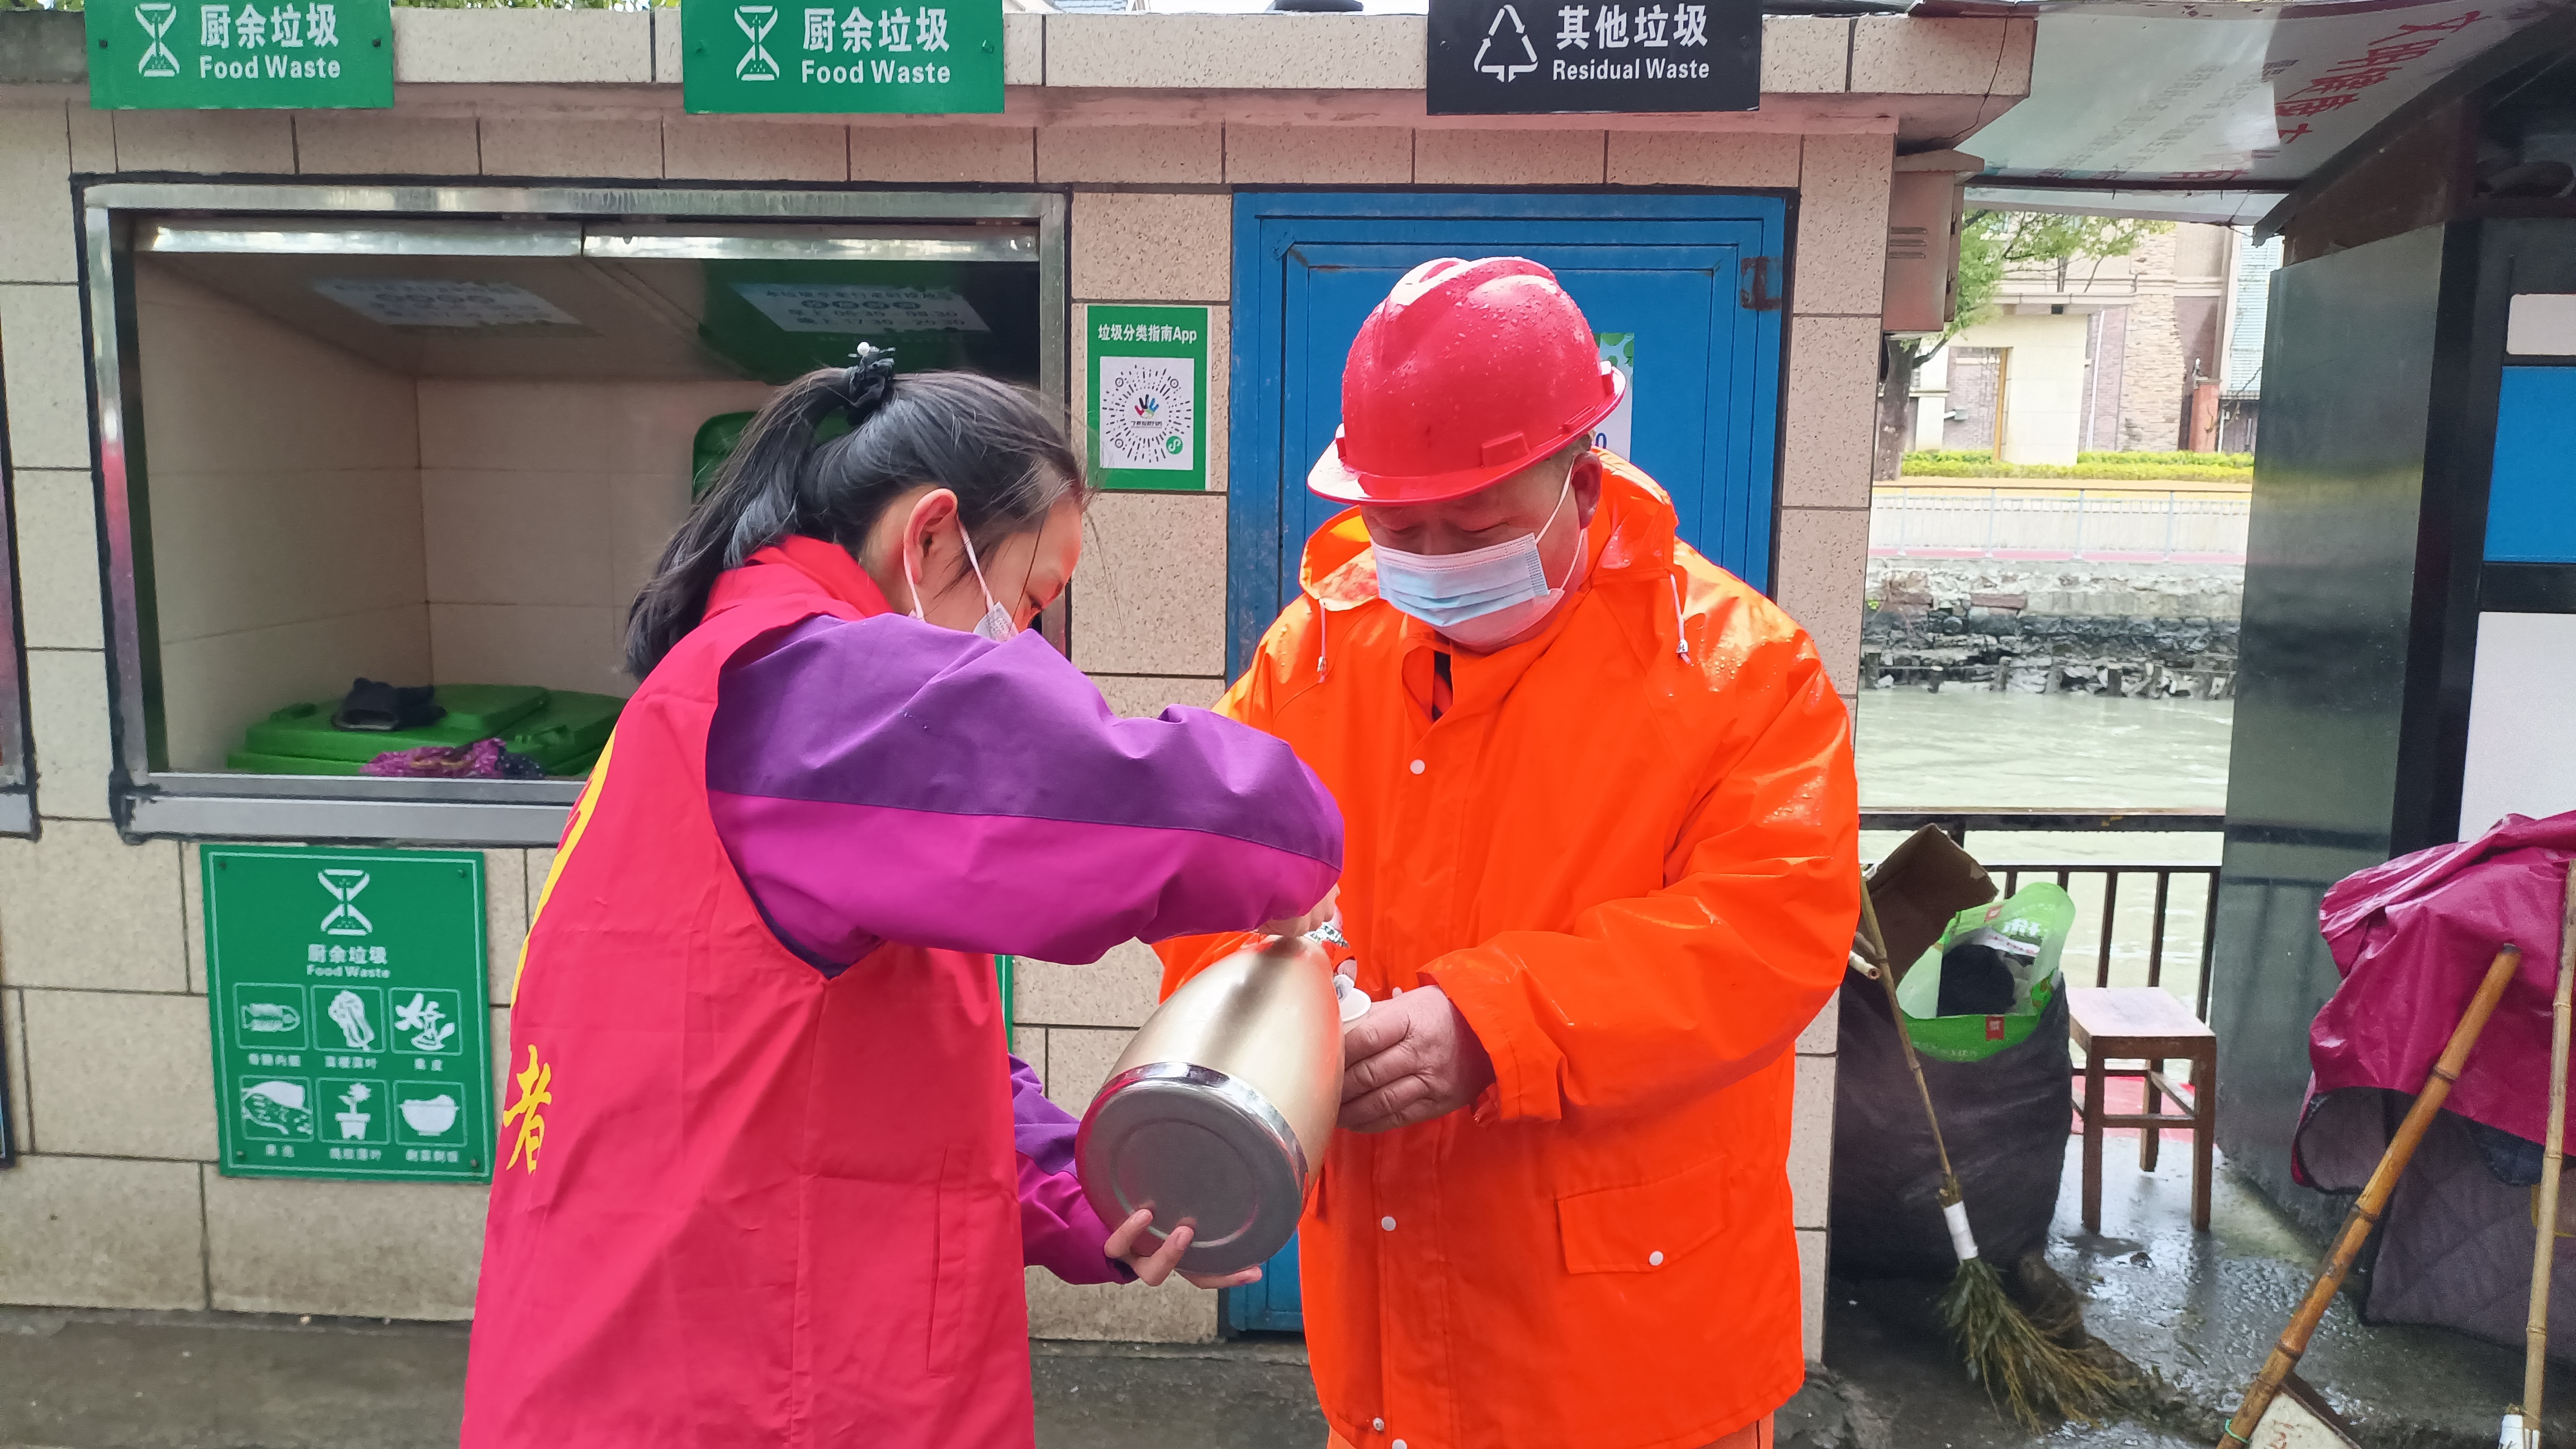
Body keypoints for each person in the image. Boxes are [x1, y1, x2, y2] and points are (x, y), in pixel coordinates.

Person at [462, 349, 1344, 1449]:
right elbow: (1121, 801)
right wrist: (1303, 845)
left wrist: (1082, 1192)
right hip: (742, 1388)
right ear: (930, 536)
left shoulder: (715, 697)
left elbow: (889, 1048)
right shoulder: (809, 691)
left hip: (642, 1354)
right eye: (1027, 599)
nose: (1024, 644)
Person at [1155, 259, 1860, 1449]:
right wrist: (1252, 1080)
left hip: (1634, 1358)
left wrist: (1494, 1025)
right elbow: (1205, 875)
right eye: (1393, 525)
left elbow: (1770, 933)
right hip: (1384, 1346)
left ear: (1581, 479)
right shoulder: (1314, 652)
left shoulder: (1743, 673)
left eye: (1470, 525)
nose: (1423, 556)